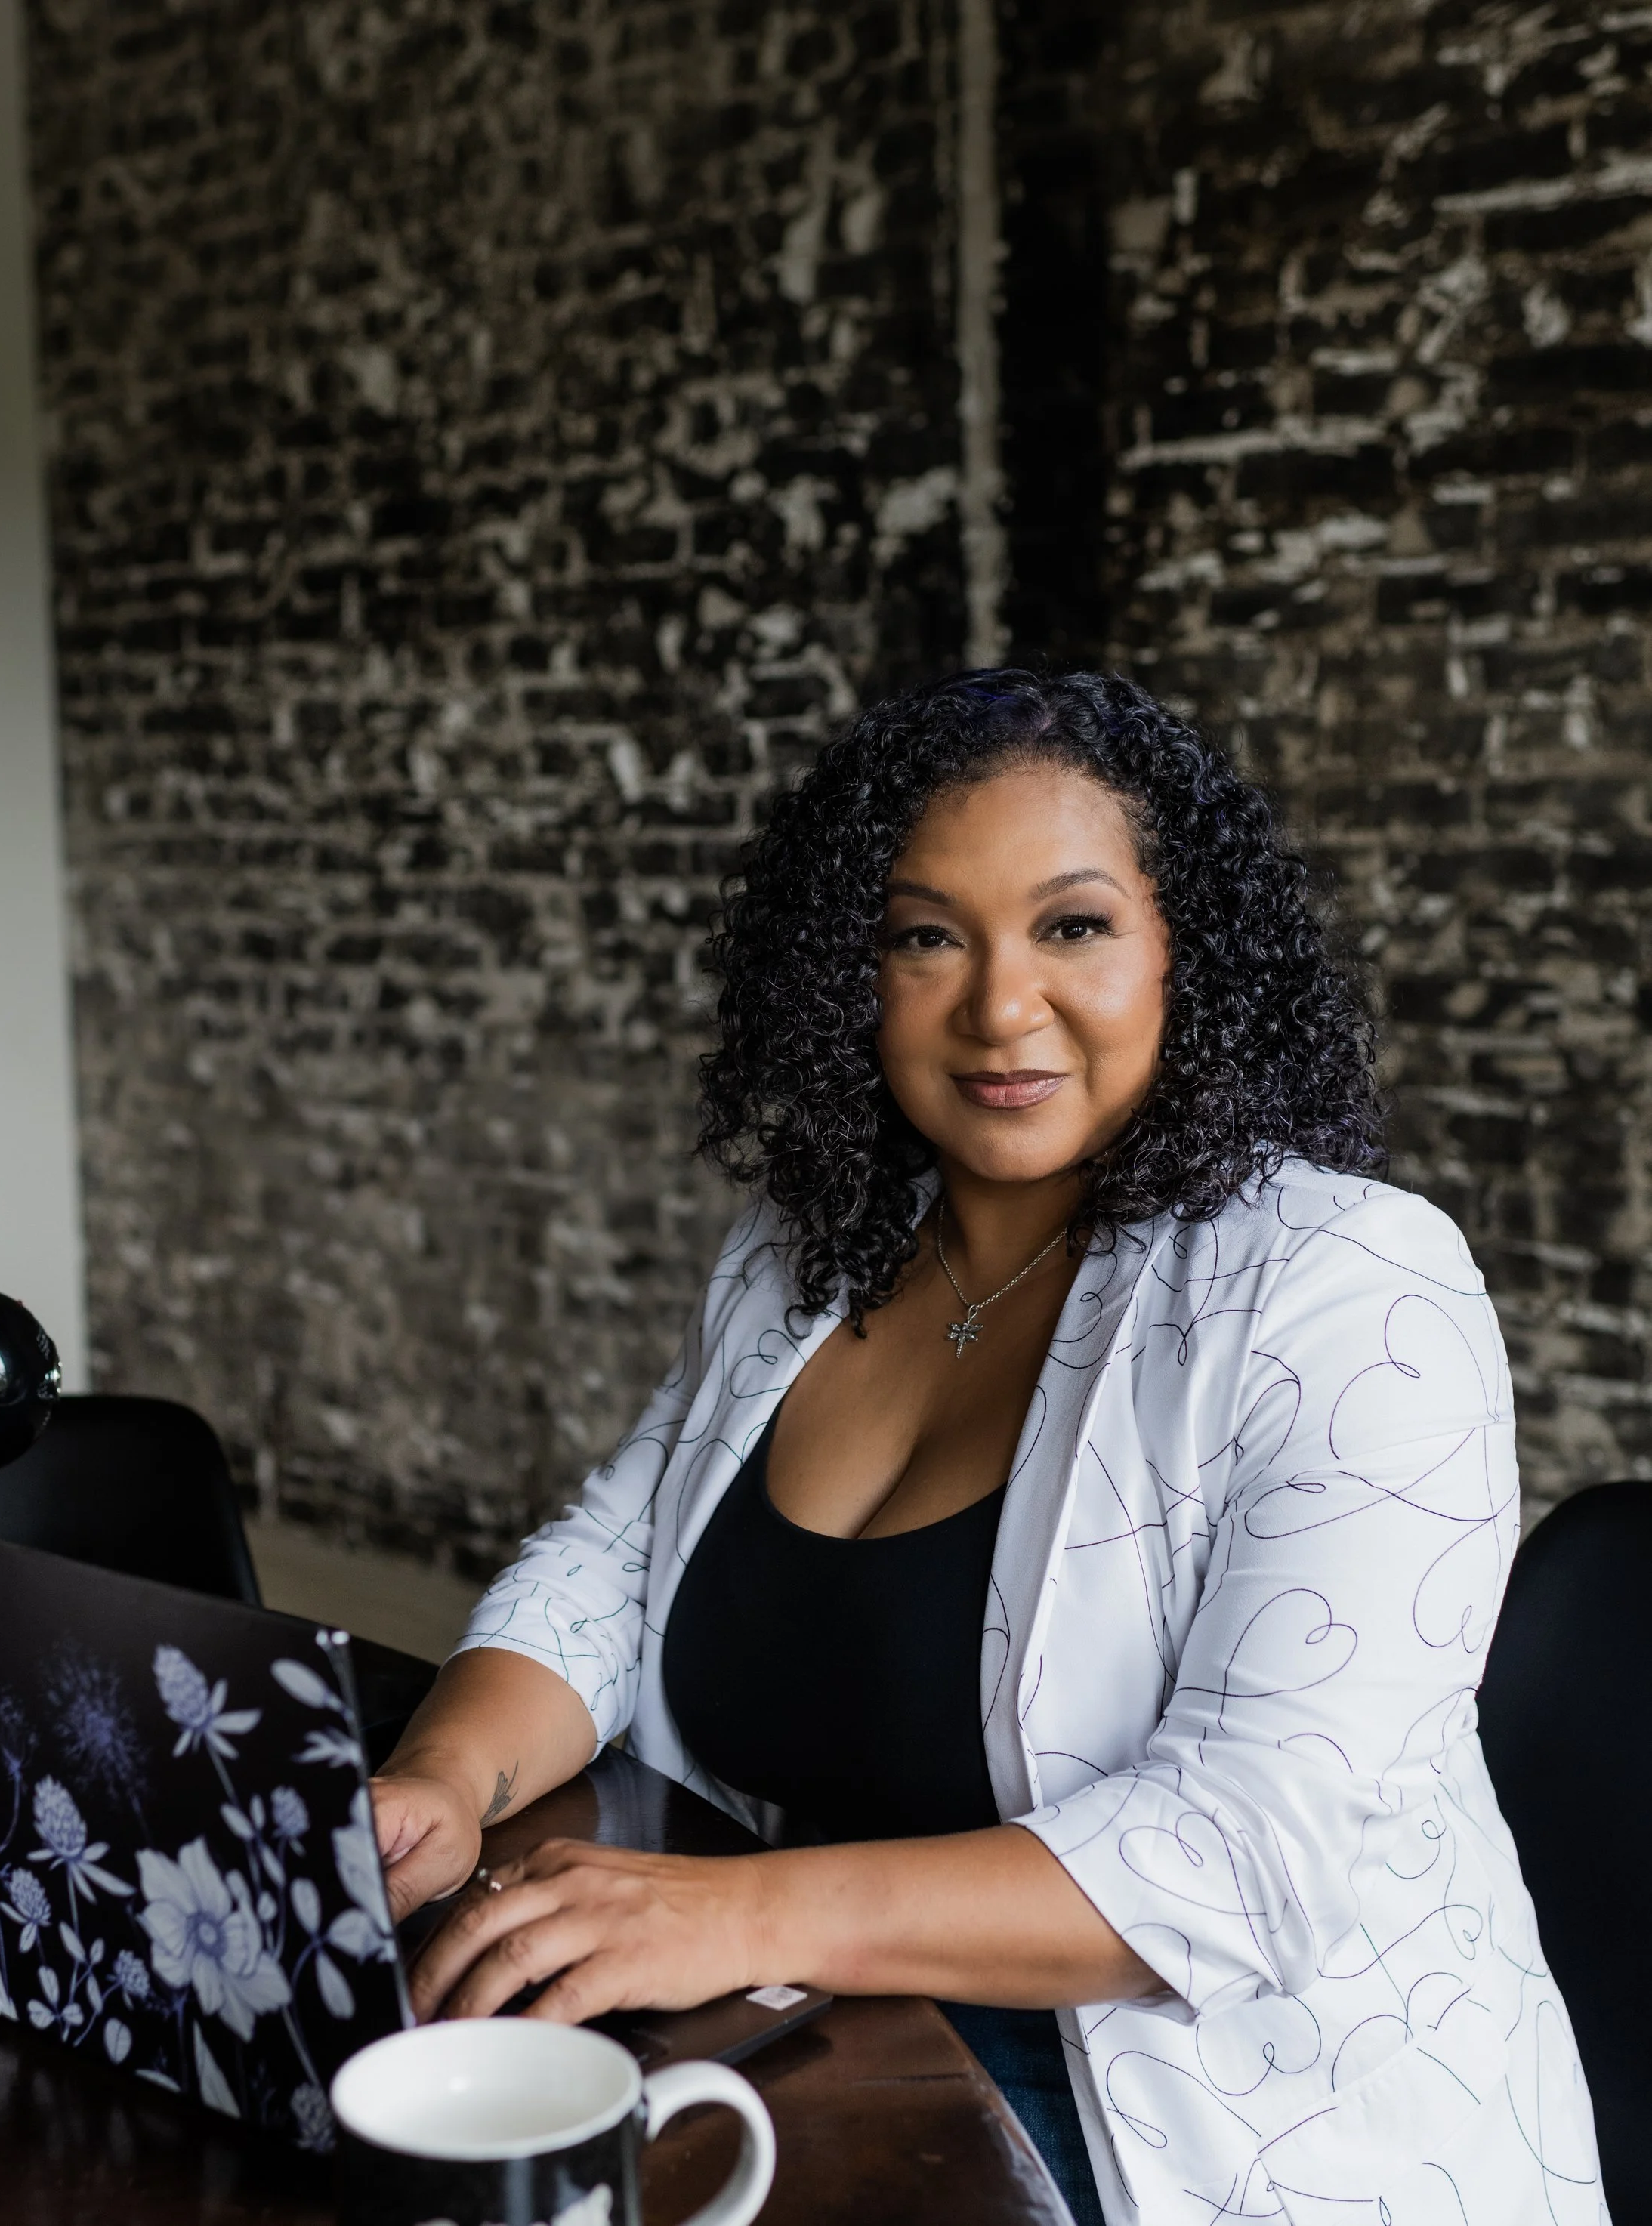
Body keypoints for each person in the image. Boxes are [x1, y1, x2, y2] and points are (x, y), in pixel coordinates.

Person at [370, 671, 1607, 2226]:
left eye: (1071, 926)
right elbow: (616, 1560)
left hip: (1192, 2138)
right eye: (925, 936)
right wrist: (443, 1773)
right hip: (820, 2033)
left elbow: (1244, 1853)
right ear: (850, 974)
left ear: (1185, 955)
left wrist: (730, 1913)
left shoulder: (1346, 1288)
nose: (997, 1007)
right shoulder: (801, 1253)